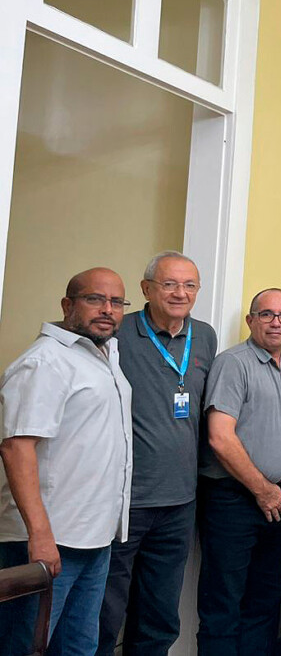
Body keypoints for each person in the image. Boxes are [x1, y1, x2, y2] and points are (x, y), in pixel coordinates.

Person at [0, 268, 133, 656]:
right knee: (26, 645)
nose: (107, 309)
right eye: (95, 299)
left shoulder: (103, 355)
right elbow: (16, 447)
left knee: (78, 646)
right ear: (67, 304)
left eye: (116, 302)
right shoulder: (44, 361)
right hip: (47, 540)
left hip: (93, 538)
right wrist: (40, 535)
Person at [95, 252, 217, 656]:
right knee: (105, 609)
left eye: (189, 285)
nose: (180, 293)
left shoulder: (205, 336)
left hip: (180, 501)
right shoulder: (118, 333)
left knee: (160, 614)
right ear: (146, 289)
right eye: (169, 284)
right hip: (124, 499)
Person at [196, 288, 281, 655]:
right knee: (223, 604)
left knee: (264, 602)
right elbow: (220, 437)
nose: (276, 322)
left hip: (279, 500)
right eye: (266, 314)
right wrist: (262, 488)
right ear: (251, 320)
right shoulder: (233, 363)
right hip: (235, 500)